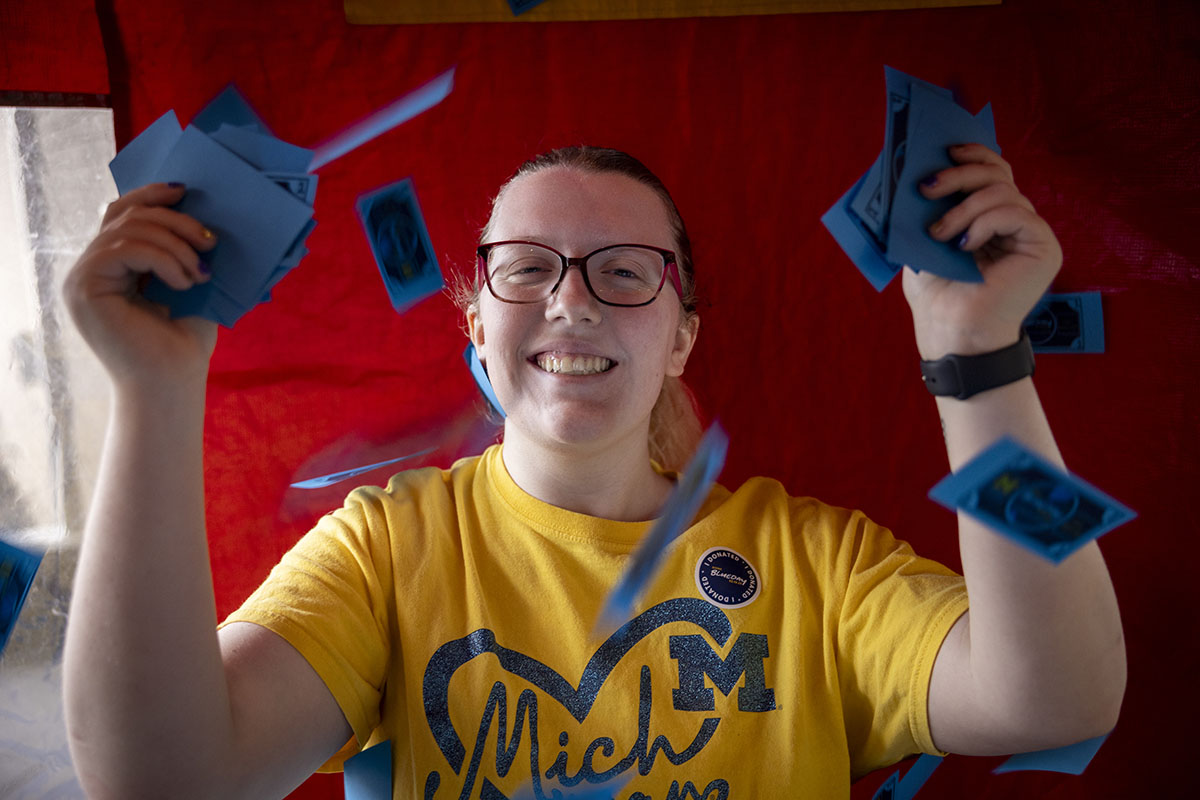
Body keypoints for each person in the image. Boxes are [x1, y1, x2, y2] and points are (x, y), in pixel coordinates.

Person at [61, 144, 1125, 799]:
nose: (572, 300)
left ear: (680, 339)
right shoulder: (386, 546)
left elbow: (1059, 696)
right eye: (527, 268)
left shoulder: (812, 559)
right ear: (477, 326)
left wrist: (978, 355)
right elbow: (160, 779)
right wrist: (153, 390)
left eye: (624, 272)